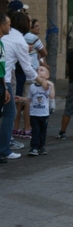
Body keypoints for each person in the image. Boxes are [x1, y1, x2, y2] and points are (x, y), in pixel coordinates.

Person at [2, 12, 43, 159]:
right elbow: (27, 68)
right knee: (9, 113)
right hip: (4, 79)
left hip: (5, 77)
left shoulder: (7, 38)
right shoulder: (18, 40)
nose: (9, 26)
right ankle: (4, 149)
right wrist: (41, 80)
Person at [15, 66, 54, 156]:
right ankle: (34, 147)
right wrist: (21, 98)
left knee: (43, 131)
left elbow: (51, 96)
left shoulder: (47, 87)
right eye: (37, 70)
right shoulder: (32, 87)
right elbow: (29, 99)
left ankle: (41, 147)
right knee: (35, 130)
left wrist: (51, 85)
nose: (38, 72)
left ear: (47, 75)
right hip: (34, 113)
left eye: (41, 70)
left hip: (44, 114)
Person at [0, 14, 11, 163]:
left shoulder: (1, 43)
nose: (10, 27)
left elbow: (2, 68)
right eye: (9, 24)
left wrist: (5, 87)